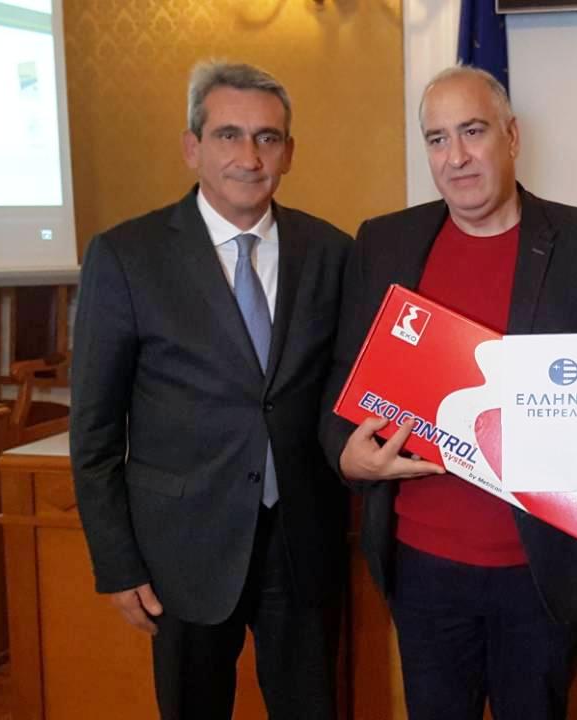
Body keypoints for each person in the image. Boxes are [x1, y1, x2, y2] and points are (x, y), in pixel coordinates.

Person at [318, 65, 577, 720]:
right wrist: (347, 457)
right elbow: (343, 381)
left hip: (540, 571)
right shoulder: (384, 242)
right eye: (437, 139)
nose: (456, 157)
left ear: (511, 136)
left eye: (472, 132)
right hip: (422, 569)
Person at [70, 60, 349, 720]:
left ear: (289, 152)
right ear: (192, 147)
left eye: (267, 138)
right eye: (228, 135)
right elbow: (95, 433)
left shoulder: (333, 252)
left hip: (301, 543)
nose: (249, 157)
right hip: (182, 549)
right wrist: (117, 562)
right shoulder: (126, 256)